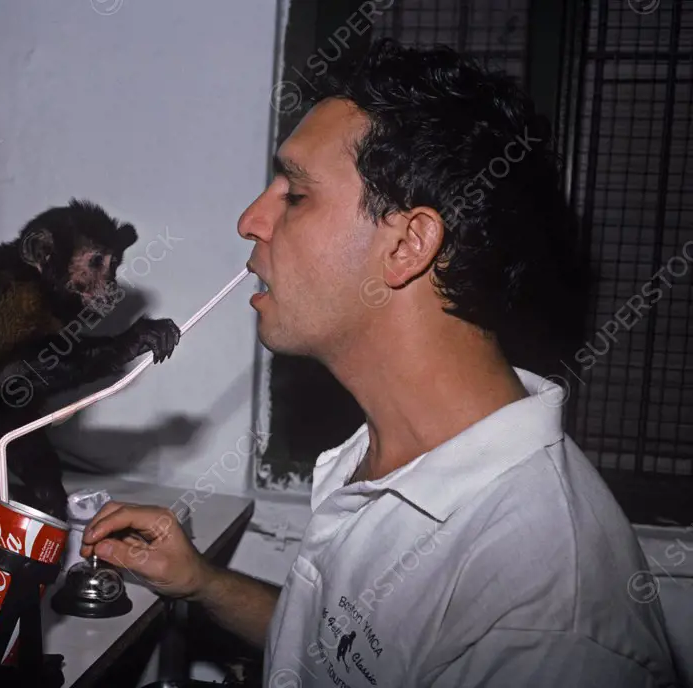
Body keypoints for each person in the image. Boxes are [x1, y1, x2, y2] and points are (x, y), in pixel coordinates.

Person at [81, 39, 680, 687]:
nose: (250, 220)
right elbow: (358, 655)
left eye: (297, 194)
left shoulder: (545, 615)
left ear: (407, 245)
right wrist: (202, 583)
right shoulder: (391, 452)